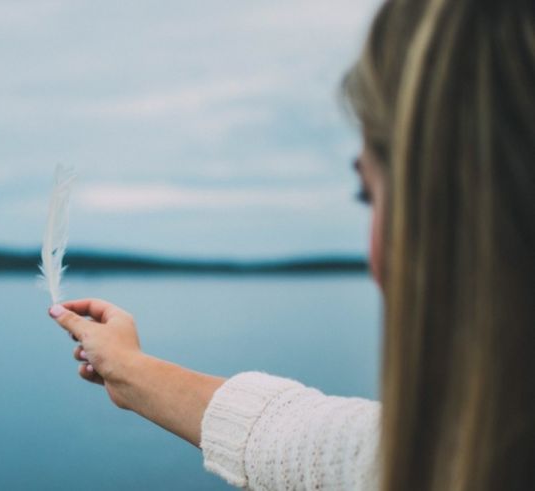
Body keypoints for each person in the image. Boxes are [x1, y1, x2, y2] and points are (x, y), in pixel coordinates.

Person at [48, 0, 535, 489]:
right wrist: (129, 370)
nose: (378, 263)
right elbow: (308, 440)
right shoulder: (464, 457)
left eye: (372, 194)